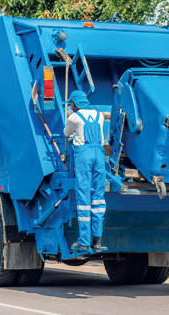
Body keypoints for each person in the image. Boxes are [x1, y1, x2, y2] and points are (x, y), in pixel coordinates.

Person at [63, 90, 107, 252]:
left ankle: (83, 241)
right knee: (98, 198)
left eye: (71, 103)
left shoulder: (74, 117)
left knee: (83, 197)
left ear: (74, 103)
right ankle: (97, 241)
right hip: (99, 155)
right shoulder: (99, 115)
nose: (70, 105)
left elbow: (66, 133)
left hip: (84, 155)